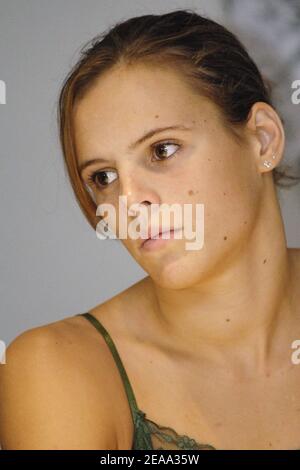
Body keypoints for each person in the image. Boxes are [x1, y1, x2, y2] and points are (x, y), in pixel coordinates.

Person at [0, 9, 300, 450]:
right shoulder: (58, 368)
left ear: (263, 140)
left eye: (162, 150)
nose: (129, 201)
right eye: (104, 177)